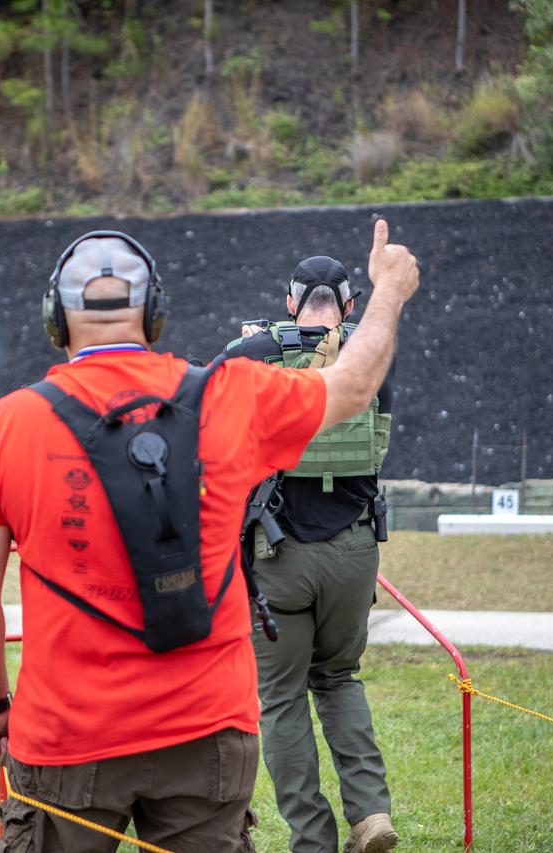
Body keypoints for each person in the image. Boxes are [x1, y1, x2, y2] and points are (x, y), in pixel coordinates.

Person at [0, 220, 419, 853]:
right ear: (156, 311)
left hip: (66, 736)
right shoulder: (227, 397)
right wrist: (387, 290)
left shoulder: (6, 425)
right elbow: (355, 383)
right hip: (205, 731)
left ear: (55, 318)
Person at [224, 255, 398, 853]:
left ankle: (313, 840)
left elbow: (200, 396)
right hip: (354, 550)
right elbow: (376, 437)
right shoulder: (371, 356)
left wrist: (251, 348)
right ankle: (371, 813)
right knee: (341, 678)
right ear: (348, 307)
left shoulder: (256, 353)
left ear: (292, 301)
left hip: (280, 557)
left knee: (281, 699)